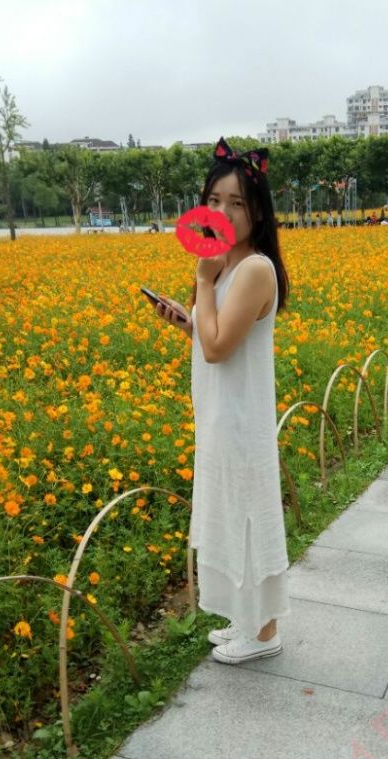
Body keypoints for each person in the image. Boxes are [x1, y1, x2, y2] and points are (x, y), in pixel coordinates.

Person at [154, 137, 290, 665]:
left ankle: (265, 631)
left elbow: (216, 350)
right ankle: (245, 618)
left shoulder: (252, 268)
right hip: (221, 414)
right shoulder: (228, 265)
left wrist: (201, 280)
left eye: (237, 202)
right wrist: (187, 321)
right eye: (214, 201)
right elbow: (214, 338)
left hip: (239, 419)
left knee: (250, 517)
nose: (224, 212)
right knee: (232, 516)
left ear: (258, 212)